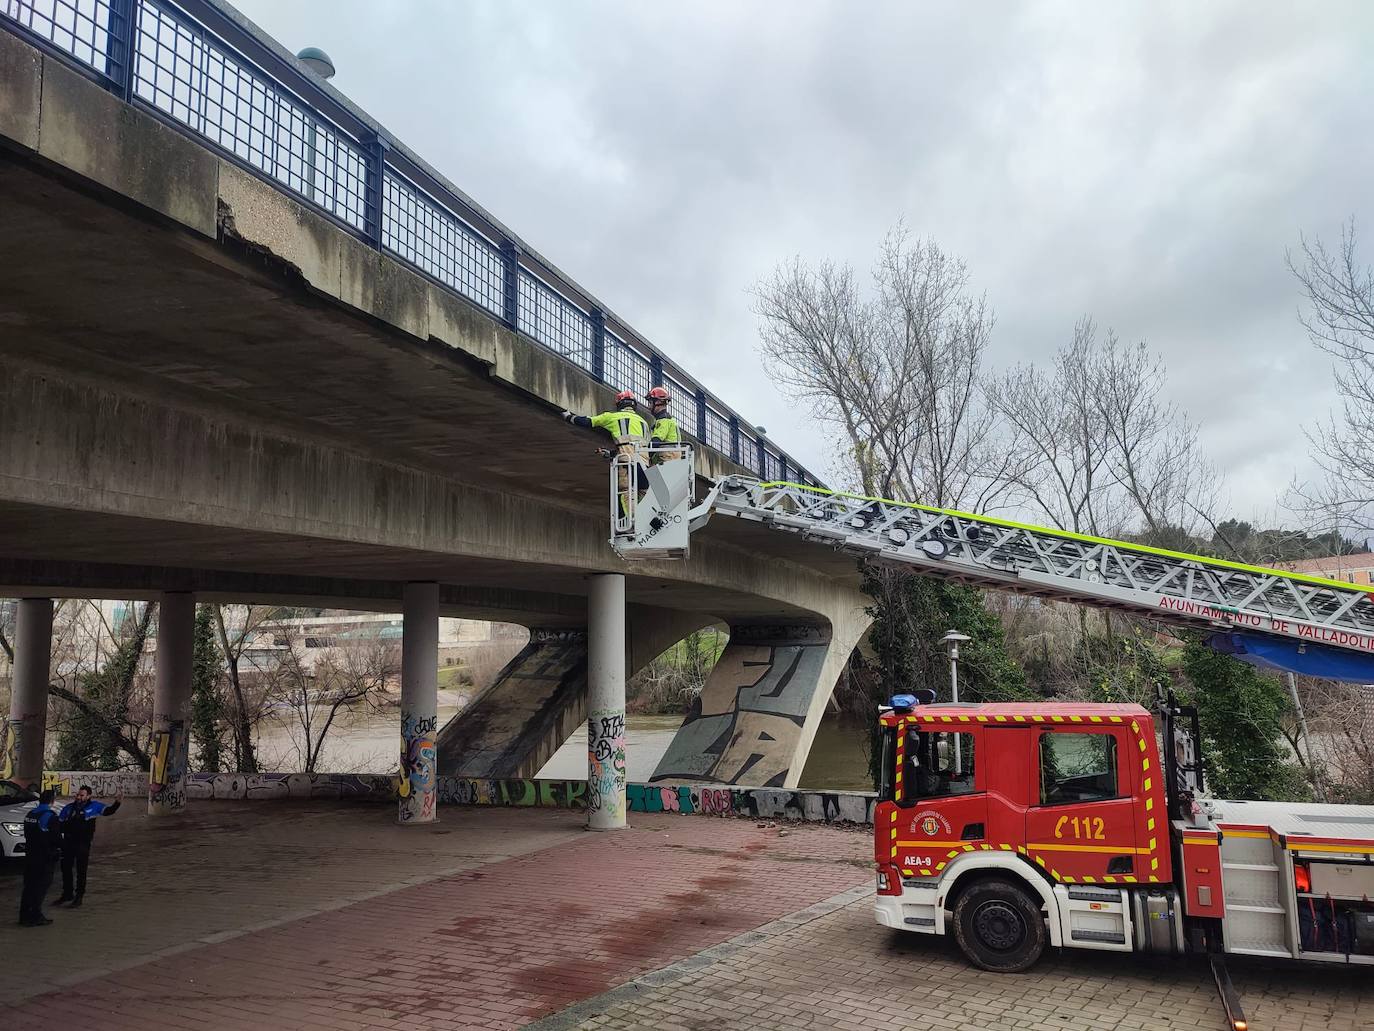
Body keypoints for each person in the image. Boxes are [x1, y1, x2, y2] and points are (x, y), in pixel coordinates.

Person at [562, 391, 648, 513]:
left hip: (628, 464)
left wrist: (569, 417)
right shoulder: (643, 422)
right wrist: (611, 454)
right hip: (645, 466)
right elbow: (632, 446)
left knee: (625, 493)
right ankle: (643, 523)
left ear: (619, 404)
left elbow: (588, 422)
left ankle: (633, 525)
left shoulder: (613, 417)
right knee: (643, 496)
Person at [55, 786, 122, 908]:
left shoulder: (95, 806)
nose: (79, 797)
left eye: (82, 795)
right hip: (68, 842)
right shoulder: (68, 808)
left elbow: (108, 811)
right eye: (78, 795)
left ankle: (79, 896)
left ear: (88, 796)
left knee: (81, 870)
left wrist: (117, 803)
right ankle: (67, 893)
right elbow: (59, 824)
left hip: (83, 843)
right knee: (66, 869)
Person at [17, 788, 61, 927]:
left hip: (30, 855)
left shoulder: (30, 814)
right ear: (52, 801)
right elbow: (56, 839)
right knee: (40, 887)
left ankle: (23, 916)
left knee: (28, 886)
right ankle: (35, 916)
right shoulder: (50, 816)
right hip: (44, 858)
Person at [644, 386, 684, 464]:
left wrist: (644, 455)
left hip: (667, 460)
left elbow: (656, 441)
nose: (649, 407)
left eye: (650, 403)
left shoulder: (663, 421)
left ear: (658, 402)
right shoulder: (669, 420)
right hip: (672, 459)